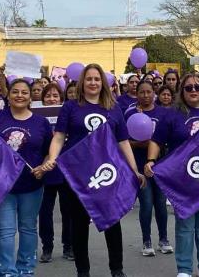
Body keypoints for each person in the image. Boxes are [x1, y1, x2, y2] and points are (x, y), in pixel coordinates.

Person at [38, 63, 146, 277]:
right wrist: (52, 158)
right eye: (89, 79)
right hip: (77, 176)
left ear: (103, 83)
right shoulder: (70, 107)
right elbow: (59, 137)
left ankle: (117, 269)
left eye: (97, 79)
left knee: (112, 221)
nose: (93, 83)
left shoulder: (113, 107)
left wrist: (135, 169)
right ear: (82, 82)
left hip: (107, 174)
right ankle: (83, 271)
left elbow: (123, 141)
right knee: (79, 225)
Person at [144, 73, 199, 277]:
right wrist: (151, 160)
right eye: (188, 88)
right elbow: (156, 141)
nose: (193, 91)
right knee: (185, 224)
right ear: (182, 91)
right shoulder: (171, 114)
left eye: (198, 87)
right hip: (181, 179)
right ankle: (184, 269)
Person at [0, 79, 52, 277]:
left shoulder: (41, 122)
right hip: (3, 187)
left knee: (28, 229)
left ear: (31, 97)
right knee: (5, 232)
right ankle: (7, 273)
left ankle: (26, 271)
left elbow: (50, 151)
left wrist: (44, 167)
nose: (20, 95)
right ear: (8, 95)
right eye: (15, 92)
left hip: (32, 185)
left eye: (24, 92)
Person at [125, 81, 173, 257]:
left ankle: (164, 239)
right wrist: (139, 143)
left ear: (154, 93)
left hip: (160, 165)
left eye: (149, 92)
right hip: (138, 165)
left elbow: (168, 137)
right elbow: (123, 140)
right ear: (136, 94)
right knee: (146, 203)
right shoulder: (130, 113)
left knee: (160, 203)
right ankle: (146, 241)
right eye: (142, 92)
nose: (145, 95)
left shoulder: (163, 113)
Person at [38, 82, 73, 263]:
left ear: (61, 98)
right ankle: (47, 247)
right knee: (45, 212)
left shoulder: (67, 114)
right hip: (45, 170)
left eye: (55, 96)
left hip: (65, 170)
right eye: (48, 96)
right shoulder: (38, 118)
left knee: (67, 211)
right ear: (42, 99)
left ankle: (68, 246)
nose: (52, 99)